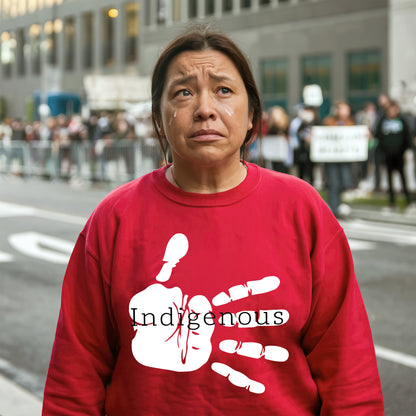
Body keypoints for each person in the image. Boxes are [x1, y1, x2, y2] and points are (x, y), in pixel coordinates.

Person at [42, 27, 384, 415]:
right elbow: (75, 379)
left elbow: (349, 376)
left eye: (223, 90)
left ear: (252, 111)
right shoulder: (114, 219)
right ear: (159, 116)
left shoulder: (302, 210)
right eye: (183, 92)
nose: (205, 108)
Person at [374, 100, 412, 207]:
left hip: (399, 154)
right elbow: (378, 135)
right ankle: (391, 199)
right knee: (389, 177)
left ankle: (407, 198)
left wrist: (407, 151)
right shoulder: (383, 121)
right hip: (387, 154)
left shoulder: (402, 121)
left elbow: (407, 136)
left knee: (403, 177)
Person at [322, 100, 355, 217]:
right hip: (331, 159)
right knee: (333, 182)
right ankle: (334, 207)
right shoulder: (329, 122)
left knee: (345, 182)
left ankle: (338, 203)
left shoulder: (351, 123)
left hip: (345, 159)